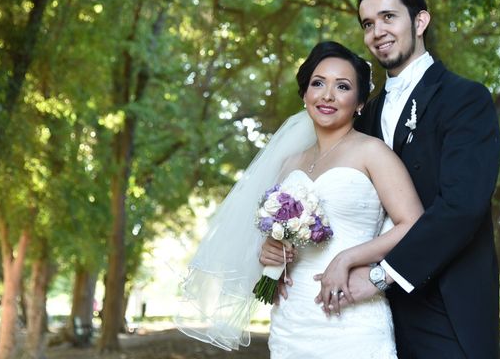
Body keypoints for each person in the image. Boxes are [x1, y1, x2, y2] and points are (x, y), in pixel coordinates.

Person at [264, 0, 500, 358]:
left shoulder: (464, 99)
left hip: (443, 303)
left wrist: (376, 275)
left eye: (388, 17)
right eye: (368, 23)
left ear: (420, 21)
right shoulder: (362, 114)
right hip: (362, 310)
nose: (377, 32)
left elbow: (462, 207)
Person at [175, 41, 423, 358]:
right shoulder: (288, 164)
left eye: (343, 86)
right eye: (318, 83)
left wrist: (347, 259)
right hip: (292, 319)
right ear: (305, 94)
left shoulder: (373, 153)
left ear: (359, 102)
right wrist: (270, 252)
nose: (327, 95)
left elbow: (413, 223)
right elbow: (271, 240)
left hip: (351, 313)